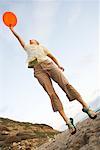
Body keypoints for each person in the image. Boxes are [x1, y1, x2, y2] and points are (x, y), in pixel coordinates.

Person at [9, 26, 97, 135]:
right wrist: (12, 29)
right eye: (29, 39)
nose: (30, 39)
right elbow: (18, 38)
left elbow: (52, 57)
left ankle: (86, 107)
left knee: (66, 84)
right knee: (51, 94)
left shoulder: (42, 47)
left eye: (33, 39)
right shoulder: (27, 47)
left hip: (49, 64)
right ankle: (68, 122)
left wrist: (59, 65)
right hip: (38, 70)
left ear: (37, 42)